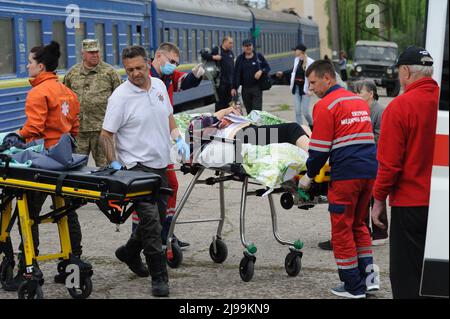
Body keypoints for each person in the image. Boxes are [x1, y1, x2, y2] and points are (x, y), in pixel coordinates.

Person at [100, 45, 190, 297]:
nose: (135, 73)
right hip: (135, 169)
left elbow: (169, 117)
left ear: (148, 63)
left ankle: (129, 251)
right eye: (129, 70)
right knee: (151, 222)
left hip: (160, 165)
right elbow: (106, 135)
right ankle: (159, 277)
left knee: (159, 218)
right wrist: (116, 165)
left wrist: (177, 138)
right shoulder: (120, 97)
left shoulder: (160, 86)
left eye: (139, 67)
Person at [5, 41, 90, 291]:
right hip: (65, 161)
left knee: (28, 214)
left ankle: (29, 268)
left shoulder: (38, 93)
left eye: (30, 62)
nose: (27, 66)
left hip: (43, 162)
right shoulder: (67, 92)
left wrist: (16, 137)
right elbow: (74, 128)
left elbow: (34, 128)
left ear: (40, 66)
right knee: (66, 212)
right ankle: (72, 261)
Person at [299, 60, 379, 299]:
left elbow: (320, 150)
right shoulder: (358, 101)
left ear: (328, 78)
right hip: (369, 172)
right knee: (359, 225)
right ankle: (370, 280)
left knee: (342, 229)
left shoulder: (325, 106)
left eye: (313, 82)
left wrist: (308, 176)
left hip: (346, 175)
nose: (311, 88)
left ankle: (353, 286)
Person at [371, 46, 439, 299]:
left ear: (406, 71)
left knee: (408, 275)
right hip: (441, 202)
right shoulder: (441, 102)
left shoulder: (400, 107)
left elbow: (389, 164)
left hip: (410, 205)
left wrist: (378, 199)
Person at [130, 42, 206, 250]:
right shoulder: (145, 78)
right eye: (171, 61)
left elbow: (183, 82)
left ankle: (165, 233)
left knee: (163, 189)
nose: (174, 66)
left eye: (176, 63)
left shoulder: (166, 76)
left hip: (161, 140)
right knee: (155, 190)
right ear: (158, 56)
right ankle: (149, 238)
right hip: (144, 143)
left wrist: (197, 73)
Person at [318, 79, 387, 251]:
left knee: (374, 197)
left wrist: (359, 136)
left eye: (359, 92)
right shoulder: (356, 107)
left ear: (370, 94)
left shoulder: (379, 110)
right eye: (354, 92)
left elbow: (381, 135)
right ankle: (361, 232)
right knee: (360, 203)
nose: (355, 95)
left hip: (372, 158)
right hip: (360, 158)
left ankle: (380, 233)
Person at [63, 39, 122, 167]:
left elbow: (120, 99)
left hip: (102, 131)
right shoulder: (72, 74)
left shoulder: (110, 73)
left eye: (97, 52)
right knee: (77, 167)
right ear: (83, 53)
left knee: (105, 166)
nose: (95, 55)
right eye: (91, 52)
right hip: (79, 131)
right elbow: (65, 100)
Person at [189, 105, 311, 153]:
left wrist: (235, 114)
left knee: (302, 128)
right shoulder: (201, 122)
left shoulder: (224, 121)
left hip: (250, 131)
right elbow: (197, 126)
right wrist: (225, 111)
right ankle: (317, 162)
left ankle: (320, 156)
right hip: (242, 136)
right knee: (292, 129)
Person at [233, 39, 271, 114]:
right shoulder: (240, 59)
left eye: (249, 45)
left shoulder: (258, 57)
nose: (248, 47)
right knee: (249, 111)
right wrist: (233, 87)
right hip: (245, 89)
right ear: (243, 47)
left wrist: (261, 71)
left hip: (257, 88)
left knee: (257, 111)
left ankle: (257, 125)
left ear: (252, 46)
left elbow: (267, 67)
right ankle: (251, 125)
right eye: (246, 46)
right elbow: (235, 74)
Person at [202, 36, 236, 111]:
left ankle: (227, 120)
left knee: (229, 103)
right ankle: (218, 119)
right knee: (220, 103)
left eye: (232, 43)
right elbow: (204, 55)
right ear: (224, 42)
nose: (232, 45)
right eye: (230, 43)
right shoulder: (217, 50)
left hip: (229, 83)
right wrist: (214, 57)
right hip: (220, 83)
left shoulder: (231, 52)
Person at [290, 44, 315, 129]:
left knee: (305, 112)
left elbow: (313, 76)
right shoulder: (296, 60)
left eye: (295, 50)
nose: (294, 51)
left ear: (300, 51)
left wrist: (311, 88)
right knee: (297, 111)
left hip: (306, 89)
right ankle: (300, 129)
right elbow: (293, 72)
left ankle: (312, 125)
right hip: (296, 88)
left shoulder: (310, 61)